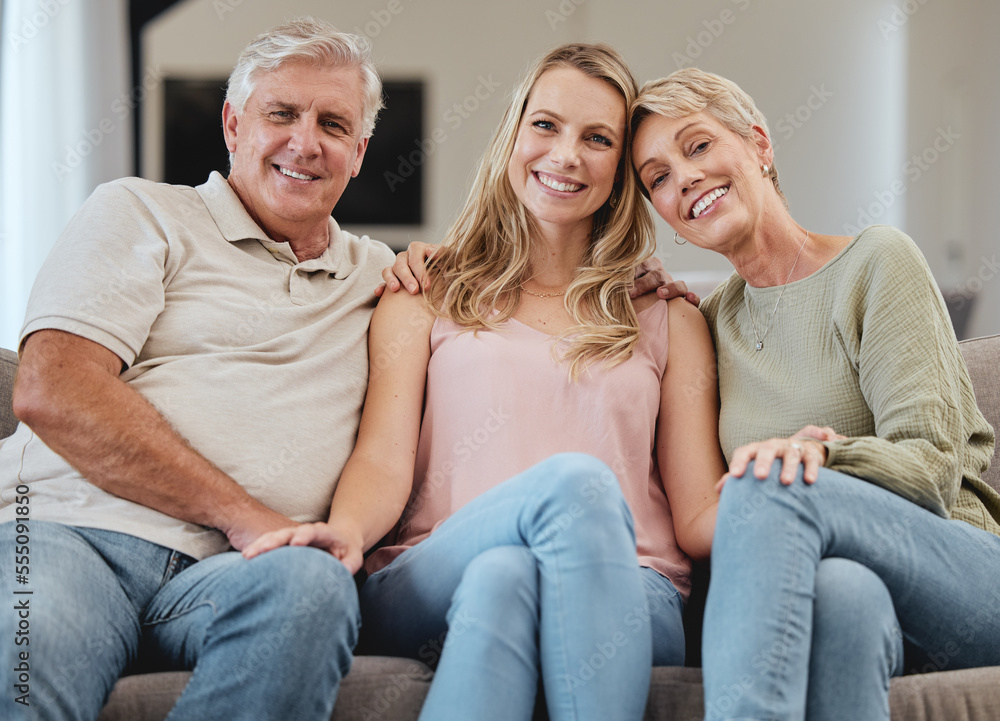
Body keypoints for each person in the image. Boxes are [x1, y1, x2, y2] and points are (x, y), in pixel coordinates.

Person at [245, 43, 726, 721]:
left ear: (620, 171)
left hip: (633, 585)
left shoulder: (668, 317)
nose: (565, 155)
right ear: (513, 134)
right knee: (573, 485)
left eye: (597, 139)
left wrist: (812, 487)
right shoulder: (425, 293)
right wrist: (344, 535)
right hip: (432, 567)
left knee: (506, 576)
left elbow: (698, 508)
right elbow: (384, 457)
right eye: (546, 125)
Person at [0, 18, 397, 721]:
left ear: (359, 152)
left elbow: (525, 275)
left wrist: (635, 280)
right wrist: (246, 517)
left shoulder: (384, 277)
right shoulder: (142, 212)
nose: (306, 142)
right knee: (31, 637)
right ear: (233, 124)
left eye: (333, 124)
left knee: (313, 585)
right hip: (72, 533)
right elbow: (50, 387)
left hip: (241, 576)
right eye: (282, 113)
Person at [629, 67, 1000, 721]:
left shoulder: (877, 262)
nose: (682, 177)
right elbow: (709, 518)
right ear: (667, 219)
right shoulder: (708, 328)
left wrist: (826, 459)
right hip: (843, 588)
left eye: (698, 146)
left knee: (772, 481)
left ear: (760, 145)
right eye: (657, 177)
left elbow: (934, 467)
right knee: (843, 594)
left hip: (959, 573)